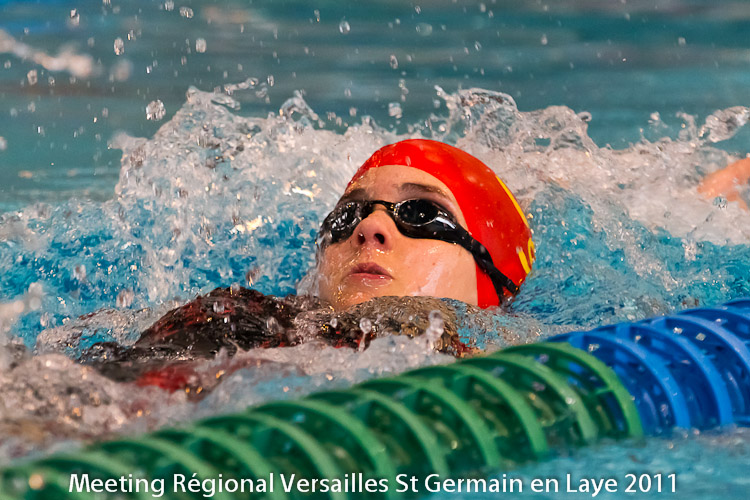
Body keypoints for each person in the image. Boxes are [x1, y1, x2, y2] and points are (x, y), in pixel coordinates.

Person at [83, 140, 747, 394]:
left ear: (492, 279)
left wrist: (704, 205)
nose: (370, 228)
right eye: (349, 214)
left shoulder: (519, 352)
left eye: (422, 215)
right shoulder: (235, 316)